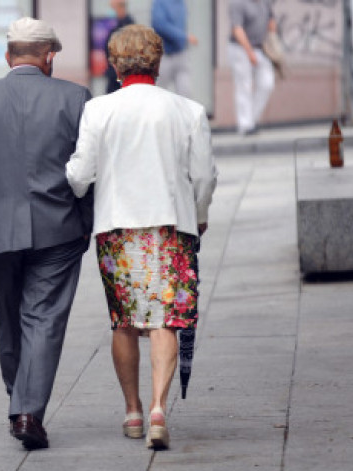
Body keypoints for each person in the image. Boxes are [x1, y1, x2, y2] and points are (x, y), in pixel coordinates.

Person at [0, 17, 93, 451]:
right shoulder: (76, 97)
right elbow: (88, 169)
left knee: (10, 318)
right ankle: (27, 409)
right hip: (59, 229)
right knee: (43, 319)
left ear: (9, 56)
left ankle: (21, 403)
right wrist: (89, 224)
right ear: (50, 56)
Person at [66, 25, 217, 450]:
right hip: (171, 228)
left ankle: (132, 410)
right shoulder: (187, 110)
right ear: (158, 62)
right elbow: (204, 176)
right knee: (166, 319)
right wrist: (199, 215)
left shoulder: (98, 110)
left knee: (125, 320)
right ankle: (158, 409)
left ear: (115, 65)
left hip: (116, 229)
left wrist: (70, 182)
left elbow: (81, 175)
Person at [228, 0, 277, 135]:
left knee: (267, 84)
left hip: (260, 48)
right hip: (240, 48)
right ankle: (245, 125)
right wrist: (249, 52)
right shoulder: (238, 3)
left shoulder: (264, 3)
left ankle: (252, 120)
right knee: (244, 86)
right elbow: (237, 28)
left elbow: (271, 20)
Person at [152, 0, 198, 98]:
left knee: (185, 93)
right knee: (159, 94)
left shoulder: (181, 3)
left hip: (181, 54)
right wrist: (184, 37)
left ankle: (184, 113)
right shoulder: (160, 2)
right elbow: (159, 24)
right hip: (164, 56)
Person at [105, 0, 136, 93]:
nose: (111, 11)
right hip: (113, 73)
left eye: (113, 8)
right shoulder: (116, 24)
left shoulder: (129, 27)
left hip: (121, 75)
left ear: (121, 7)